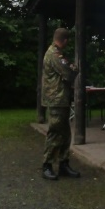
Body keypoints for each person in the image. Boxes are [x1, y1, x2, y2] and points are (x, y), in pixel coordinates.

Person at [40, 28, 79, 180]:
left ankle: (63, 164)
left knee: (65, 133)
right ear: (65, 41)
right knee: (55, 132)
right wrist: (73, 67)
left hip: (60, 98)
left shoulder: (55, 53)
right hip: (56, 99)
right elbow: (69, 73)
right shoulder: (54, 54)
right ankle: (47, 165)